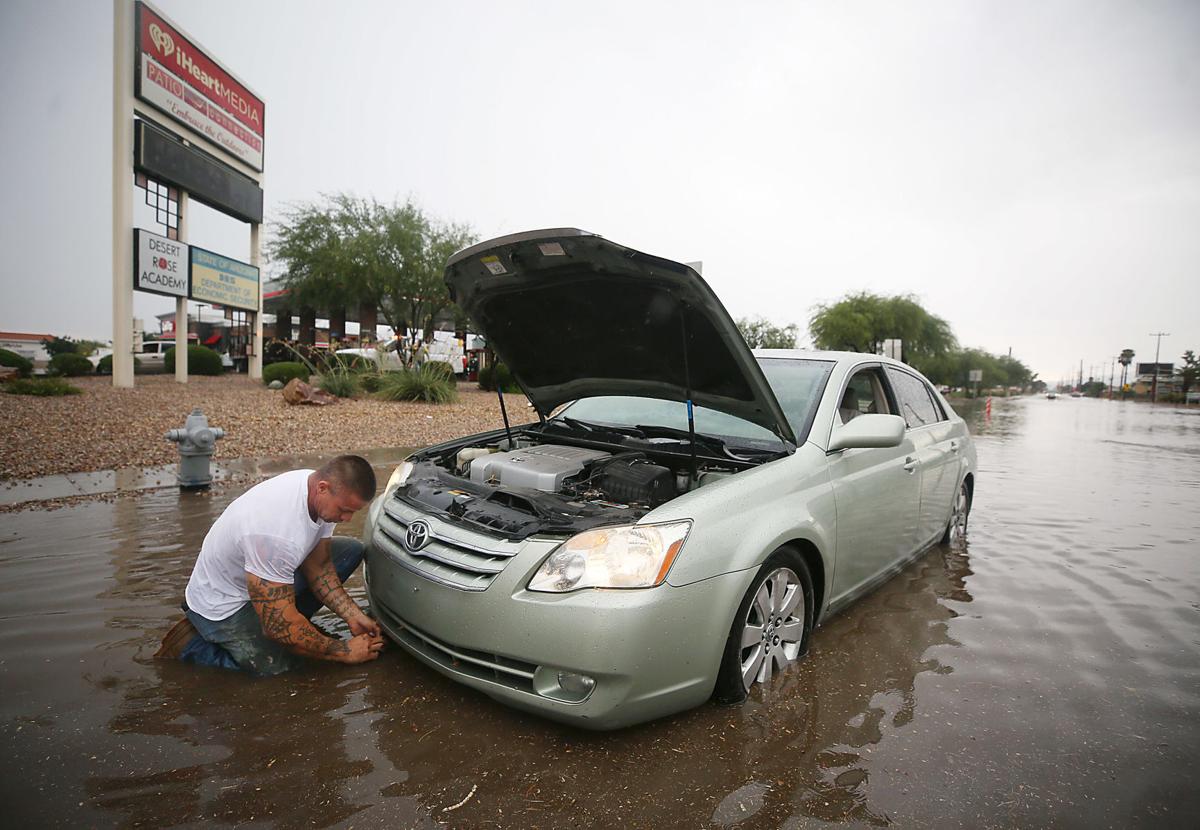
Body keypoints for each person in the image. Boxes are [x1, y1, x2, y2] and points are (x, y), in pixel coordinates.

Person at [157, 455, 385, 675]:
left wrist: (353, 615)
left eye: (353, 512)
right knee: (279, 667)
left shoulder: (315, 490)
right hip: (224, 605)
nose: (347, 519)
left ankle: (293, 619)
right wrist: (345, 651)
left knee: (350, 551)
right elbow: (277, 626)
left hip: (264, 575)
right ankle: (195, 647)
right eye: (344, 510)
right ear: (323, 488)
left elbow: (320, 565)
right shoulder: (276, 535)